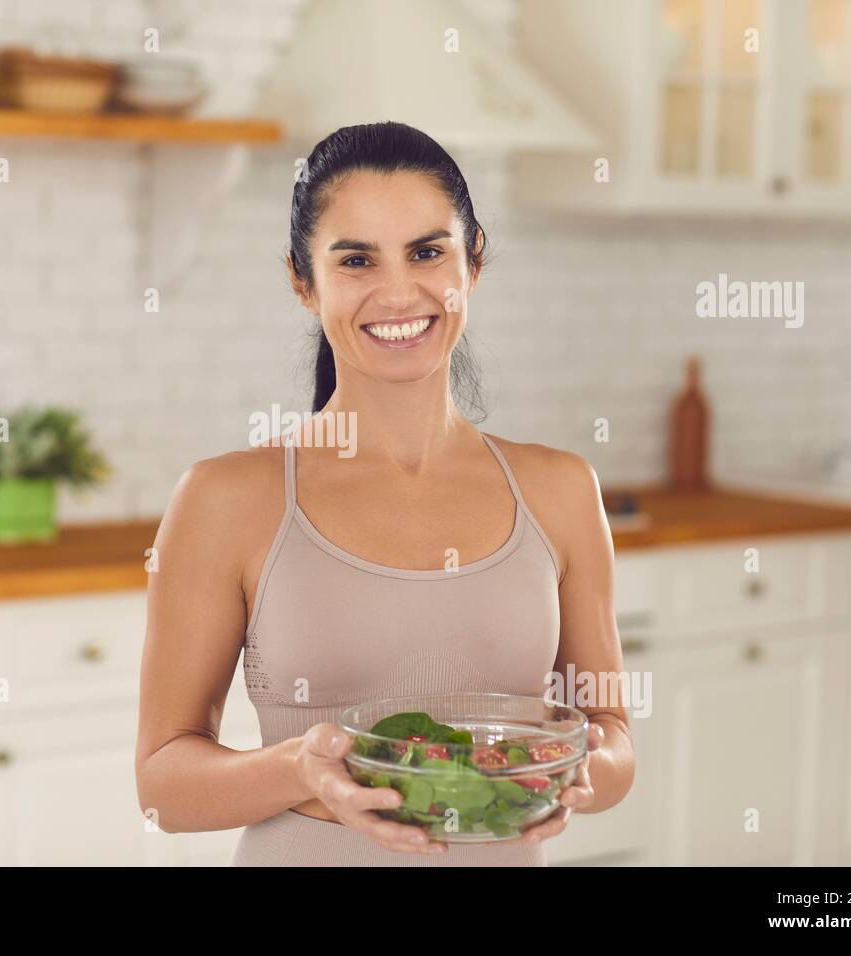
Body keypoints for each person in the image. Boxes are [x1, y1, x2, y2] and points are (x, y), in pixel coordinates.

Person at [136, 122, 633, 865]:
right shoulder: (226, 500)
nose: (399, 291)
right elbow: (162, 785)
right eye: (357, 260)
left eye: (429, 252)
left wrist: (573, 773)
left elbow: (612, 737)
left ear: (473, 264)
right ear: (303, 283)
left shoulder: (561, 490)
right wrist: (297, 769)